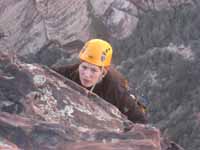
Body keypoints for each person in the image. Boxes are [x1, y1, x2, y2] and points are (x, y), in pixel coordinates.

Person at [52, 39, 147, 124]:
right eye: (84, 67)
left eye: (93, 70)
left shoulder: (115, 87)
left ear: (103, 72)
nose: (86, 75)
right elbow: (48, 72)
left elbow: (139, 119)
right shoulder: (73, 71)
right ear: (79, 65)